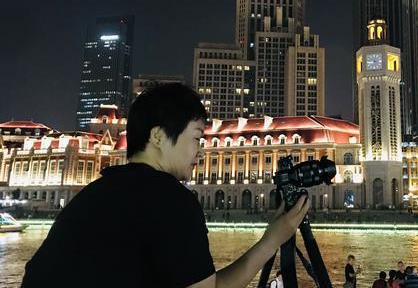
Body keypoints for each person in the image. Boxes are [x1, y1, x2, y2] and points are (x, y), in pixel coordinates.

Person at [21, 83, 310, 288]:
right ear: (158, 137)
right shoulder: (171, 200)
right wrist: (274, 238)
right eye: (197, 138)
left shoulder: (91, 195)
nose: (200, 151)